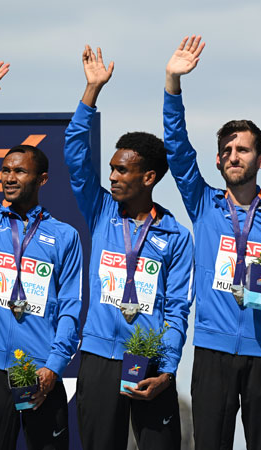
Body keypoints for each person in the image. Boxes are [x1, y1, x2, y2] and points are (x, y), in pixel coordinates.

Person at [163, 35, 261, 450]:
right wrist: (173, 82)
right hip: (212, 352)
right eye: (226, 150)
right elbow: (177, 150)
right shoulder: (204, 204)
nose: (233, 156)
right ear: (218, 160)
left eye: (242, 150)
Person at [0, 62, 83, 450]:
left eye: (19, 172)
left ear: (41, 180)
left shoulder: (64, 236)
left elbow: (71, 308)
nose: (8, 177)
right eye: (5, 170)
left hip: (38, 369)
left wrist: (53, 368)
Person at [64, 46, 193, 450]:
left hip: (149, 362)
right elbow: (74, 154)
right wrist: (91, 91)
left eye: (123, 169)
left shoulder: (176, 235)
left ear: (149, 176)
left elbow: (177, 309)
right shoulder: (102, 210)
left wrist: (168, 370)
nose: (113, 176)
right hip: (99, 360)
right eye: (112, 169)